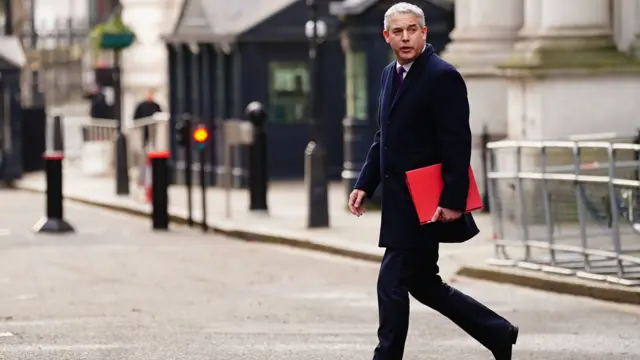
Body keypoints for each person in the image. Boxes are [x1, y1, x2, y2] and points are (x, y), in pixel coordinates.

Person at [347, 3, 518, 360]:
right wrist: (366, 183)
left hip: (427, 202)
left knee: (391, 283)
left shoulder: (442, 75)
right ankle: (498, 332)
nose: (406, 37)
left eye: (412, 30)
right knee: (423, 283)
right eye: (398, 31)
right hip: (399, 201)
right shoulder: (387, 75)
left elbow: (456, 141)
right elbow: (384, 136)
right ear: (387, 37)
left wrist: (454, 198)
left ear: (424, 33)